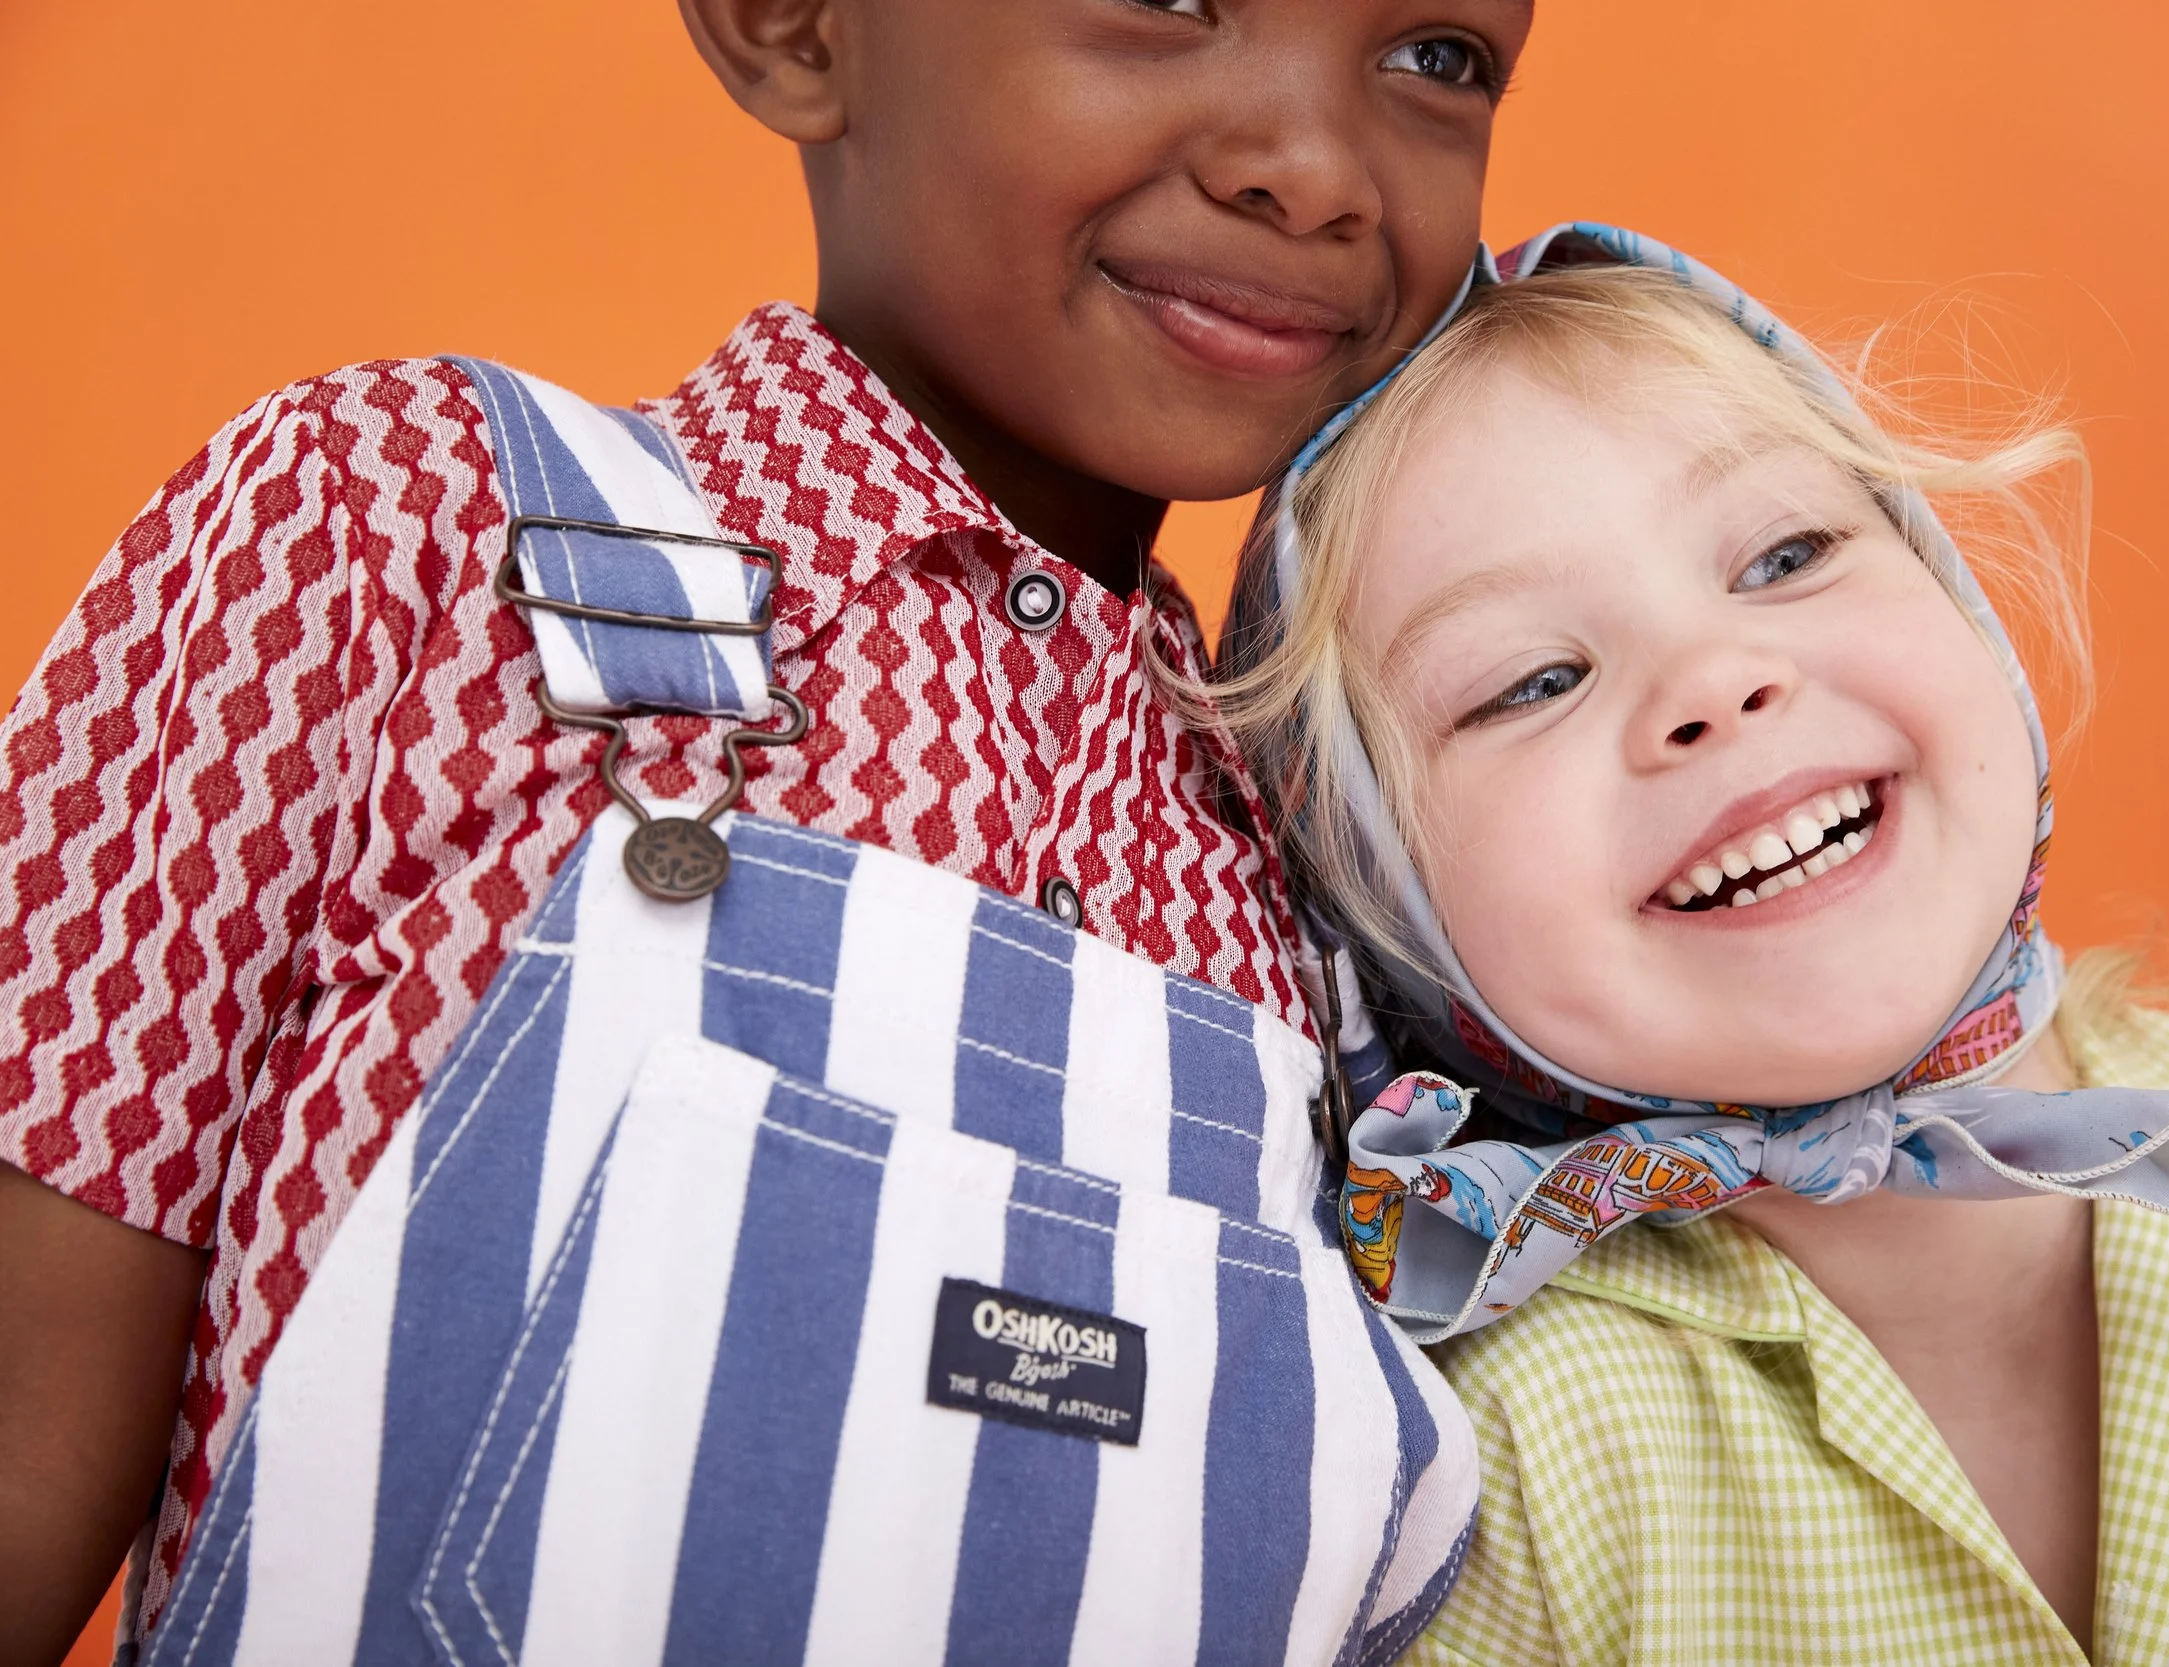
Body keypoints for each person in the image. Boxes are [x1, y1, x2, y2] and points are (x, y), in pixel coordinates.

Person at [0, 2, 1535, 1660]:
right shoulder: (394, 530)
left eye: (1438, 55)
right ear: (795, 26)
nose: (1316, 170)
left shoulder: (1329, 847)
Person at [1217, 226, 2169, 1663]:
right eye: (1532, 681)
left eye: (1786, 554)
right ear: (1384, 916)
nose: (1716, 681)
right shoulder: (1487, 1476)